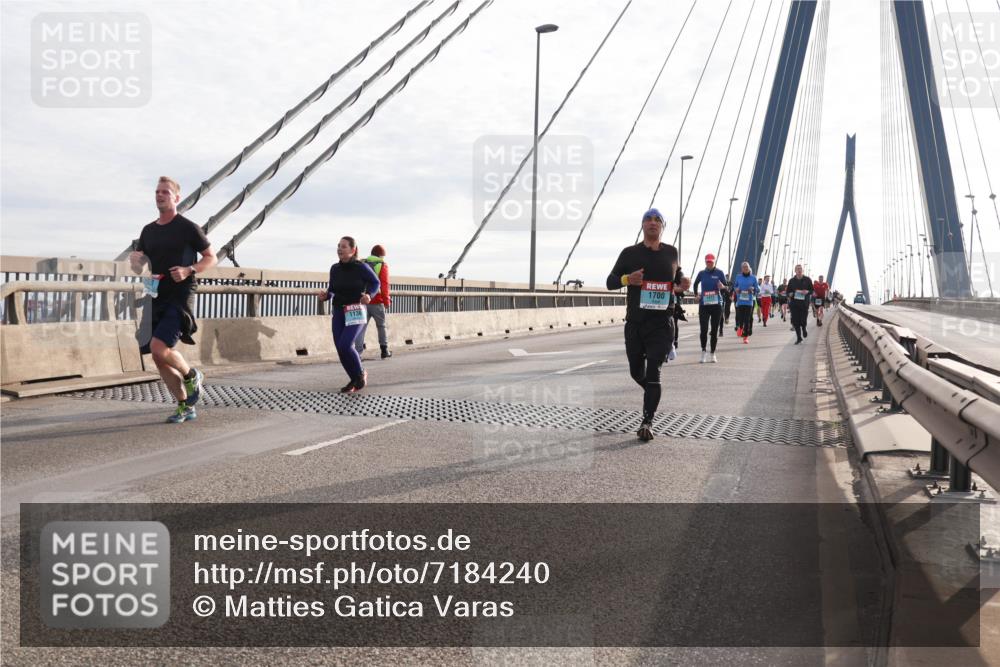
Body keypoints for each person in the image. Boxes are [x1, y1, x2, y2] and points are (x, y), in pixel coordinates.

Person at [129, 177, 217, 424]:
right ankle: (184, 406)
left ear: (176, 198)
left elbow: (211, 257)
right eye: (157, 191)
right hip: (155, 295)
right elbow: (141, 268)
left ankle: (191, 374)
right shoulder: (148, 231)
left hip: (180, 297)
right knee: (158, 356)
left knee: (159, 347)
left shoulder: (188, 227)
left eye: (165, 192)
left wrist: (189, 269)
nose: (160, 195)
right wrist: (136, 263)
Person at [607, 208, 690, 442]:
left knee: (654, 373)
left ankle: (647, 422)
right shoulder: (629, 253)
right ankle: (653, 394)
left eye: (657, 220)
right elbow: (610, 282)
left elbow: (678, 277)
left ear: (662, 226)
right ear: (642, 225)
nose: (652, 223)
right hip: (635, 323)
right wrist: (627, 279)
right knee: (636, 372)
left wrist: (684, 281)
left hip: (662, 324)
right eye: (648, 219)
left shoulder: (672, 253)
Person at [318, 236, 381, 393]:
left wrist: (369, 295)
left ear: (353, 250)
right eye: (338, 246)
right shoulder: (335, 268)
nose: (340, 249)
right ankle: (353, 378)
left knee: (346, 345)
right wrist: (326, 295)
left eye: (344, 246)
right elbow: (332, 288)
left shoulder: (362, 267)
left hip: (356, 309)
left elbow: (376, 283)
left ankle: (360, 374)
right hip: (339, 310)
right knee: (340, 348)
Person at [354, 244, 393, 359]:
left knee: (361, 327)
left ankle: (357, 353)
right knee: (381, 326)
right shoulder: (382, 265)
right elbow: (384, 284)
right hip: (377, 300)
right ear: (381, 255)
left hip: (363, 300)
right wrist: (387, 301)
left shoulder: (363, 263)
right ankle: (384, 350)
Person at [692, 253, 727, 363]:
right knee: (703, 330)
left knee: (714, 330)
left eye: (711, 261)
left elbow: (727, 288)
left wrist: (723, 287)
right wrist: (696, 295)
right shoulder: (701, 273)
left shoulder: (720, 273)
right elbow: (695, 284)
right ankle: (703, 352)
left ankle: (712, 353)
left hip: (716, 305)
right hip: (704, 305)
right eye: (708, 261)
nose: (709, 263)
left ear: (714, 261)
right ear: (705, 262)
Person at [731, 261, 760, 344]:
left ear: (749, 268)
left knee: (747, 319)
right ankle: (740, 327)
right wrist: (736, 289)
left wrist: (753, 289)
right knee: (741, 318)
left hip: (749, 301)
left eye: (746, 267)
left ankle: (745, 337)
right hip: (740, 301)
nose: (745, 268)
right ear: (742, 269)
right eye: (743, 267)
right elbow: (735, 286)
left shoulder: (753, 278)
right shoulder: (738, 277)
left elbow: (758, 289)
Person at [786, 264, 814, 344]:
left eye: (800, 269)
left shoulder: (807, 279)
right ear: (795, 271)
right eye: (797, 269)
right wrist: (790, 294)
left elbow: (812, 290)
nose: (799, 270)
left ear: (802, 270)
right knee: (795, 321)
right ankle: (799, 338)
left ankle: (804, 328)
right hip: (794, 304)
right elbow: (788, 291)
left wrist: (807, 291)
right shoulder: (791, 281)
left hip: (804, 304)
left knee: (803, 320)